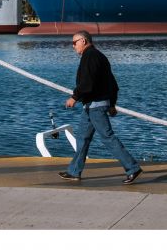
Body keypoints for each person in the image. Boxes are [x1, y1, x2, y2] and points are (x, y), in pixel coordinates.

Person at [58, 30, 143, 185]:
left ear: (83, 41)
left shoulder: (89, 56)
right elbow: (113, 85)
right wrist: (111, 104)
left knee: (107, 137)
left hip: (95, 106)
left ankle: (132, 168)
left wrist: (74, 97)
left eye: (74, 42)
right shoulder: (100, 56)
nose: (73, 46)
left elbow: (87, 84)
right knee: (82, 139)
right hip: (91, 106)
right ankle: (74, 172)